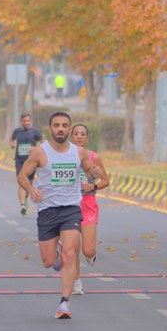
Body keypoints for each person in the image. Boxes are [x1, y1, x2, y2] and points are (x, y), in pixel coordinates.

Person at [17, 111, 101, 319]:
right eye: (57, 125)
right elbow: (22, 175)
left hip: (71, 209)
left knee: (70, 253)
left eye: (64, 125)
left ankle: (64, 303)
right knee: (48, 261)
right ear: (50, 129)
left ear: (69, 129)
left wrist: (94, 175)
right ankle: (56, 256)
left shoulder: (79, 152)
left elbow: (90, 173)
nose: (61, 129)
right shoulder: (40, 152)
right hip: (47, 210)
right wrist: (31, 190)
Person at [70, 124, 110, 295]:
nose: (79, 137)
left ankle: (91, 255)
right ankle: (76, 281)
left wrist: (93, 186)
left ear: (87, 138)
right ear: (72, 136)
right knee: (72, 247)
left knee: (87, 250)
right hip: (69, 206)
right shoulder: (64, 157)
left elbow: (106, 180)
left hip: (88, 205)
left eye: (82, 134)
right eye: (76, 134)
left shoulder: (94, 157)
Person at [9, 113, 43, 215]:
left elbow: (44, 143)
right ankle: (23, 205)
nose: (26, 123)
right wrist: (12, 144)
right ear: (21, 121)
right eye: (24, 121)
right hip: (19, 160)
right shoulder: (17, 131)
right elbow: (11, 139)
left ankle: (26, 197)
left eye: (28, 121)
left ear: (30, 121)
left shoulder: (35, 132)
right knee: (21, 181)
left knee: (29, 184)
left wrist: (35, 148)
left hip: (31, 161)